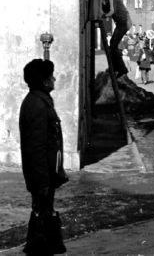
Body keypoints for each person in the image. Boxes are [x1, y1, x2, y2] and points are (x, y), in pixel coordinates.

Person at [19, 59, 68, 255]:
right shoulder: (37, 105)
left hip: (46, 173)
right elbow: (36, 147)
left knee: (44, 214)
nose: (54, 79)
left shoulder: (40, 101)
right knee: (42, 217)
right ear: (44, 81)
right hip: (43, 176)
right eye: (51, 76)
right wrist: (42, 182)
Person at [101, 0, 132, 77]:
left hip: (124, 22)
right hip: (121, 23)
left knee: (113, 45)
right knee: (112, 44)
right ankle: (115, 67)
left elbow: (111, 11)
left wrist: (104, 15)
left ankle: (121, 69)